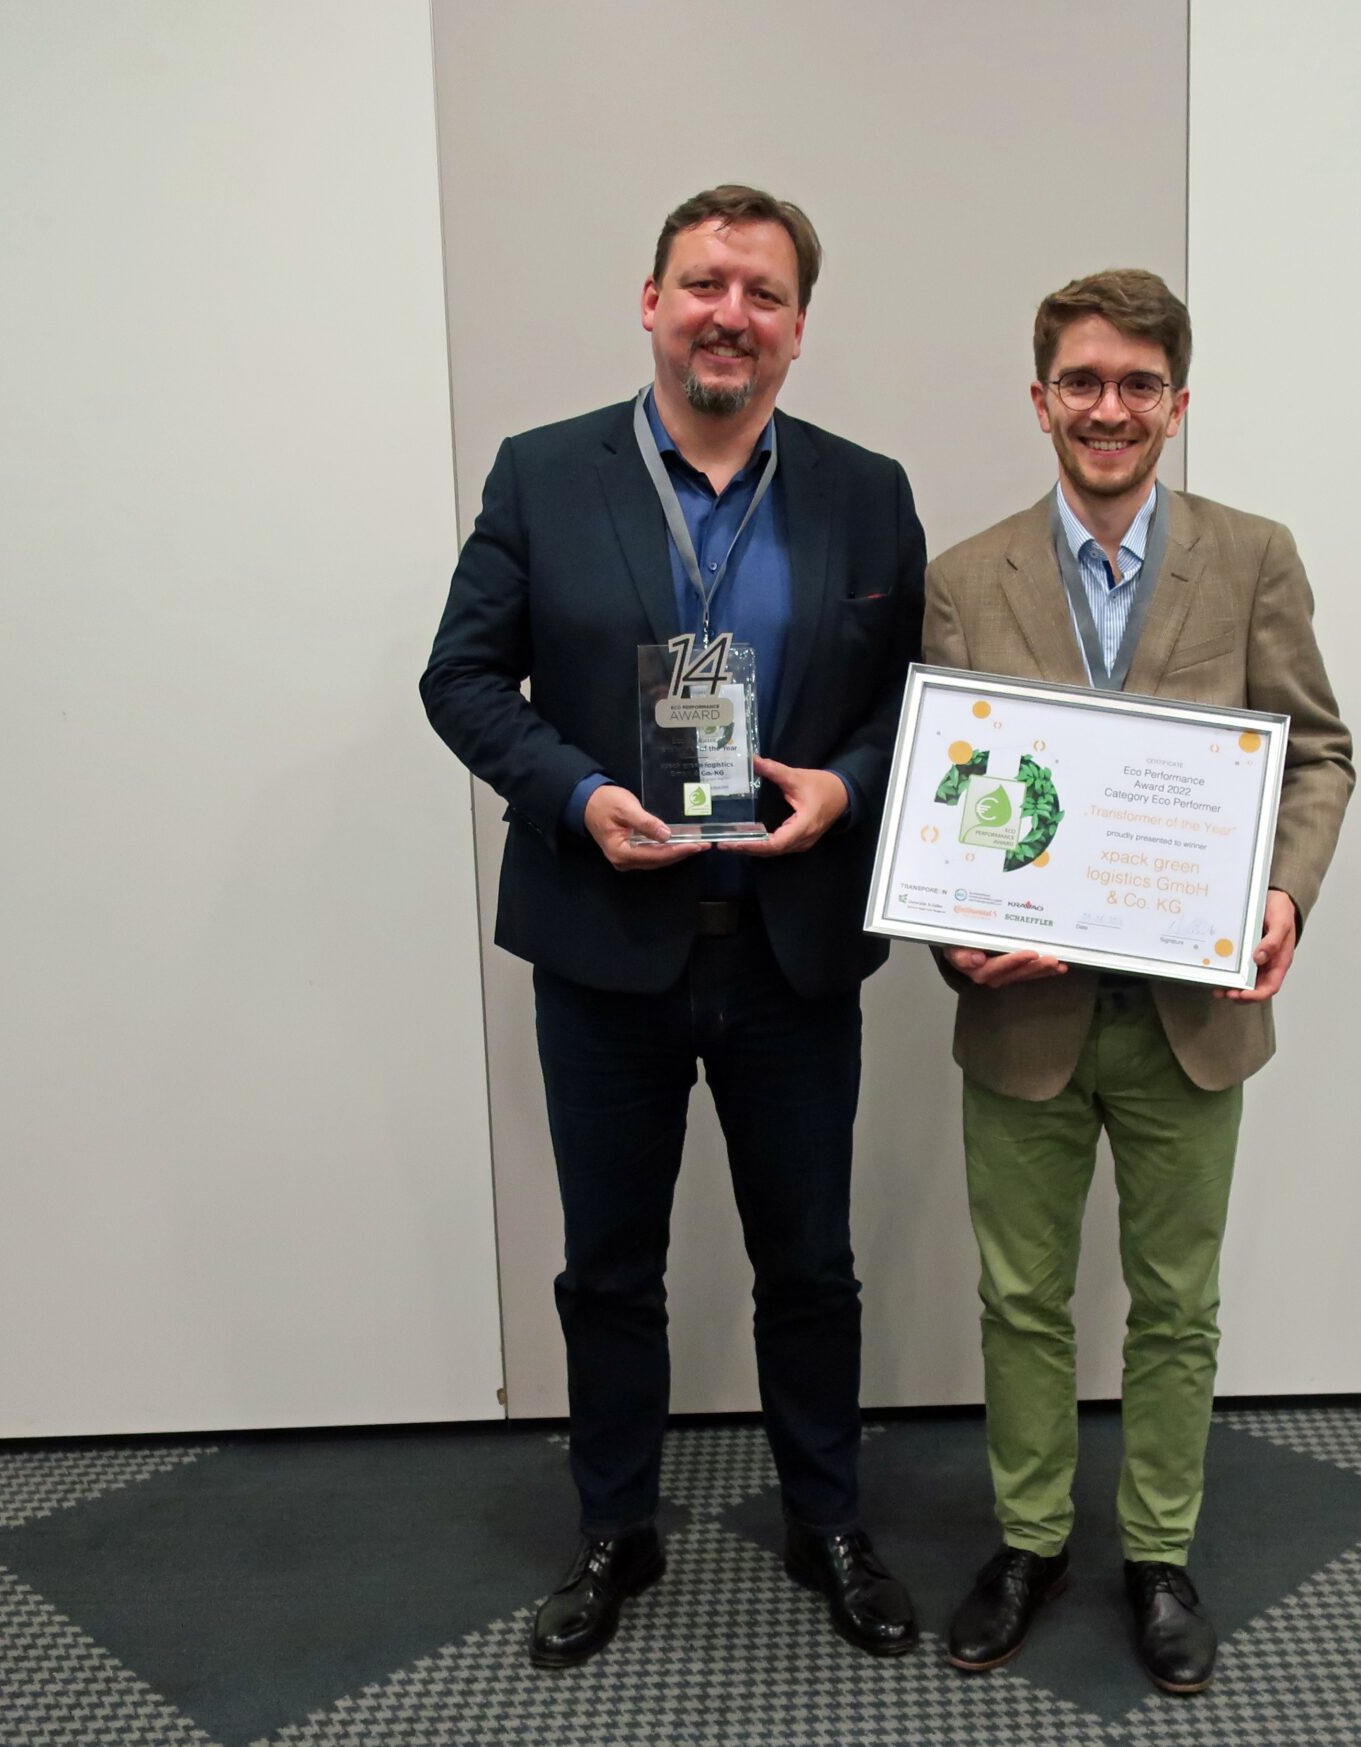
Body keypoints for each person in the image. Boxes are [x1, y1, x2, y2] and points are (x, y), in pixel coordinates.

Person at [421, 186, 924, 1668]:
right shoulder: (542, 474)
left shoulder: (867, 491)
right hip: (605, 943)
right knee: (608, 1269)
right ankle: (614, 1527)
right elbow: (461, 679)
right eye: (705, 283)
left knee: (810, 1267)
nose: (730, 315)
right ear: (651, 303)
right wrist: (576, 796)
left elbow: (914, 700)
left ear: (799, 329)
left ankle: (828, 1521)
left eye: (763, 294)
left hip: (790, 949)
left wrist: (849, 786)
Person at [923, 269, 1354, 1694]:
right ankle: (1031, 1542)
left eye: (1138, 385)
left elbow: (1317, 750)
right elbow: (945, 797)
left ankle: (1160, 1554)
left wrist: (1283, 893)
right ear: (1040, 398)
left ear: (1176, 403)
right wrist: (951, 933)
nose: (1109, 409)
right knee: (1021, 1300)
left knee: (1177, 1304)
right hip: (1025, 1013)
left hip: (1191, 1018)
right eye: (1083, 382)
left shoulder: (1252, 557)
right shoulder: (965, 577)